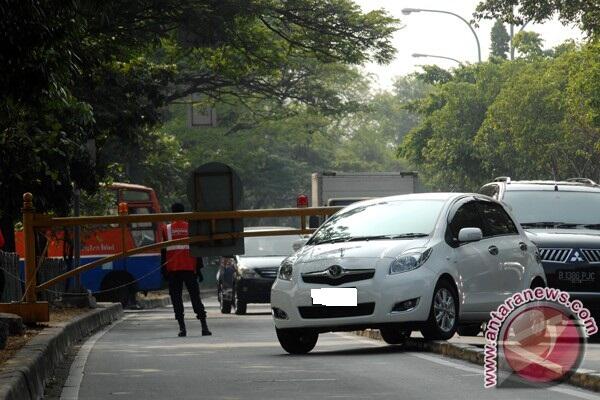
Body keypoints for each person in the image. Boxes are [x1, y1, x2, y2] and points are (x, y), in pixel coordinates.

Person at [161, 203, 211, 337]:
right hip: (189, 269)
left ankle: (182, 328)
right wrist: (199, 270)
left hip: (173, 270)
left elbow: (163, 252)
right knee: (195, 298)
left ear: (172, 213)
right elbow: (197, 250)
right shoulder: (190, 228)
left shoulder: (167, 229)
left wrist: (164, 271)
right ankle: (204, 327)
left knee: (176, 299)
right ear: (184, 213)